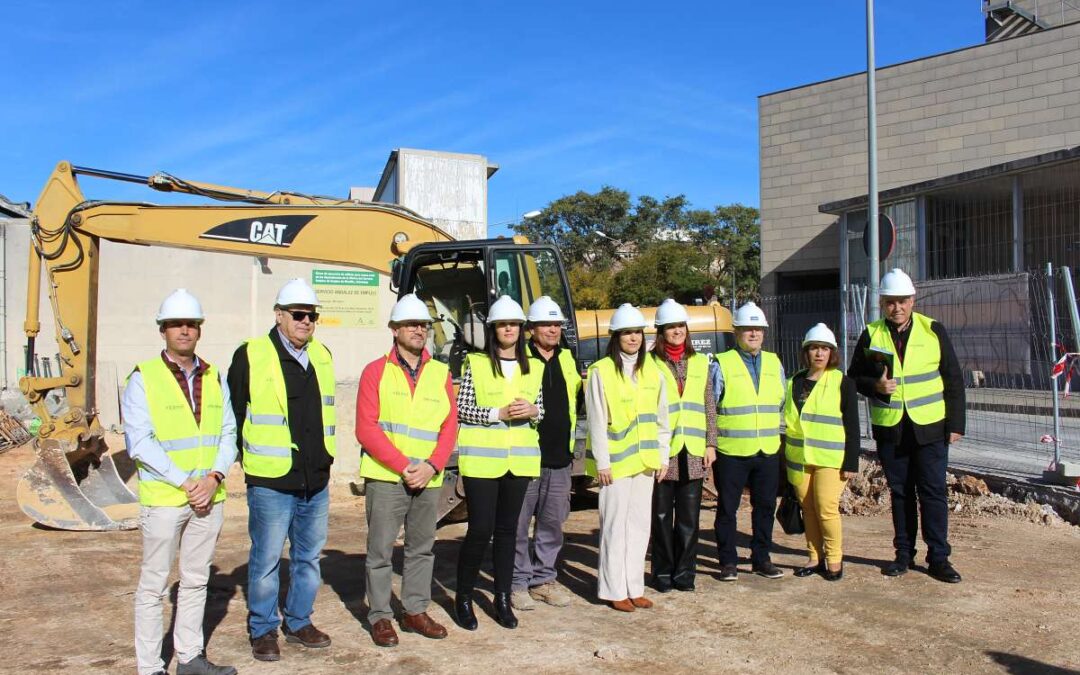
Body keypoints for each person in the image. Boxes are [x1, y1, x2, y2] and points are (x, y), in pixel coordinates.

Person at [124, 289, 237, 675]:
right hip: (166, 499)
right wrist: (187, 482)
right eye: (177, 324)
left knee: (195, 581)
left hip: (209, 496)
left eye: (191, 324)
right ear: (163, 330)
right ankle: (150, 667)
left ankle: (189, 658)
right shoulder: (144, 377)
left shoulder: (213, 374)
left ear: (199, 330)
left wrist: (213, 477)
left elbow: (227, 433)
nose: (185, 330)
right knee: (153, 586)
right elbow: (140, 442)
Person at [227, 278, 337, 661]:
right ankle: (263, 629)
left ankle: (298, 621)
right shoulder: (251, 354)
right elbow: (235, 413)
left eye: (312, 315)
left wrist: (325, 459)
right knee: (267, 558)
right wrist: (248, 460)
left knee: (308, 558)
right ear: (279, 315)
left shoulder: (321, 355)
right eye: (298, 314)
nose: (306, 321)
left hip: (315, 479)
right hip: (271, 480)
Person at [848, 268, 965, 583]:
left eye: (902, 301)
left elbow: (953, 378)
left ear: (912, 300)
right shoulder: (871, 334)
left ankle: (939, 558)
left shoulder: (933, 330)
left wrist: (956, 424)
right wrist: (875, 386)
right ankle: (903, 555)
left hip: (930, 427)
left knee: (933, 493)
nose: (896, 307)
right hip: (891, 429)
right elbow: (853, 377)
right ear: (883, 303)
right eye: (890, 302)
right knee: (900, 494)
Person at [355, 293, 457, 647]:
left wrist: (431, 466)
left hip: (428, 478)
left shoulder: (440, 372)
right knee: (381, 551)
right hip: (387, 478)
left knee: (421, 548)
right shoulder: (375, 372)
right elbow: (366, 428)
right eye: (412, 324)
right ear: (394, 329)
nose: (419, 330)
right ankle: (381, 616)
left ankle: (414, 610)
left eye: (424, 325)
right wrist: (405, 466)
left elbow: (449, 426)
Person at [455, 295, 545, 630]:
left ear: (522, 330)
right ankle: (463, 598)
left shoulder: (534, 366)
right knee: (480, 530)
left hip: (518, 461)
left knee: (510, 532)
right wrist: (499, 413)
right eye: (503, 324)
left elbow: (541, 408)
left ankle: (502, 597)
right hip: (482, 462)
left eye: (514, 324)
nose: (509, 329)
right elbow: (464, 409)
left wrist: (534, 411)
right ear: (494, 330)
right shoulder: (476, 364)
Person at [585, 303, 671, 612]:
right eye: (626, 333)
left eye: (637, 332)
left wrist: (663, 458)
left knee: (639, 527)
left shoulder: (654, 372)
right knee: (614, 526)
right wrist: (602, 462)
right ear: (615, 336)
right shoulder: (601, 371)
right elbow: (596, 420)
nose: (633, 338)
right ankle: (612, 589)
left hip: (646, 462)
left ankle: (635, 587)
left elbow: (663, 419)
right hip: (617, 465)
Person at [511, 296, 582, 611]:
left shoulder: (568, 358)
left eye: (557, 324)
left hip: (559, 457)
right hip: (526, 456)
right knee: (518, 523)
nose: (553, 330)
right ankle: (517, 583)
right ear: (532, 328)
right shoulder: (517, 359)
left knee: (552, 524)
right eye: (546, 324)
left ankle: (543, 581)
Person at [709, 301, 787, 582]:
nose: (753, 334)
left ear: (764, 333)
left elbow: (781, 401)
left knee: (766, 506)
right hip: (731, 451)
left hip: (767, 449)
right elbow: (712, 406)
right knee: (728, 509)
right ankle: (728, 561)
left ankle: (761, 558)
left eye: (758, 329)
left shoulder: (774, 362)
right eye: (746, 329)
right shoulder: (722, 363)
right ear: (736, 332)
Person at [649, 299, 717, 593]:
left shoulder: (700, 363)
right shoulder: (649, 363)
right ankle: (662, 573)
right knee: (662, 517)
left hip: (694, 450)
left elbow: (709, 405)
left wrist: (711, 444)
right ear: (661, 331)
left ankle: (684, 574)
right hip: (664, 451)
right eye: (670, 327)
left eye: (680, 326)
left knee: (689, 518)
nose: (676, 331)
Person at [784, 323, 861, 582]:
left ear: (832, 353)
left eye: (824, 349)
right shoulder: (793, 381)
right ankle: (814, 557)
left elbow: (853, 425)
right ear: (806, 352)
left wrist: (851, 462)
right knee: (809, 509)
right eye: (814, 348)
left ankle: (834, 559)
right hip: (800, 459)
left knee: (826, 508)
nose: (819, 353)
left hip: (830, 459)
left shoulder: (843, 382)